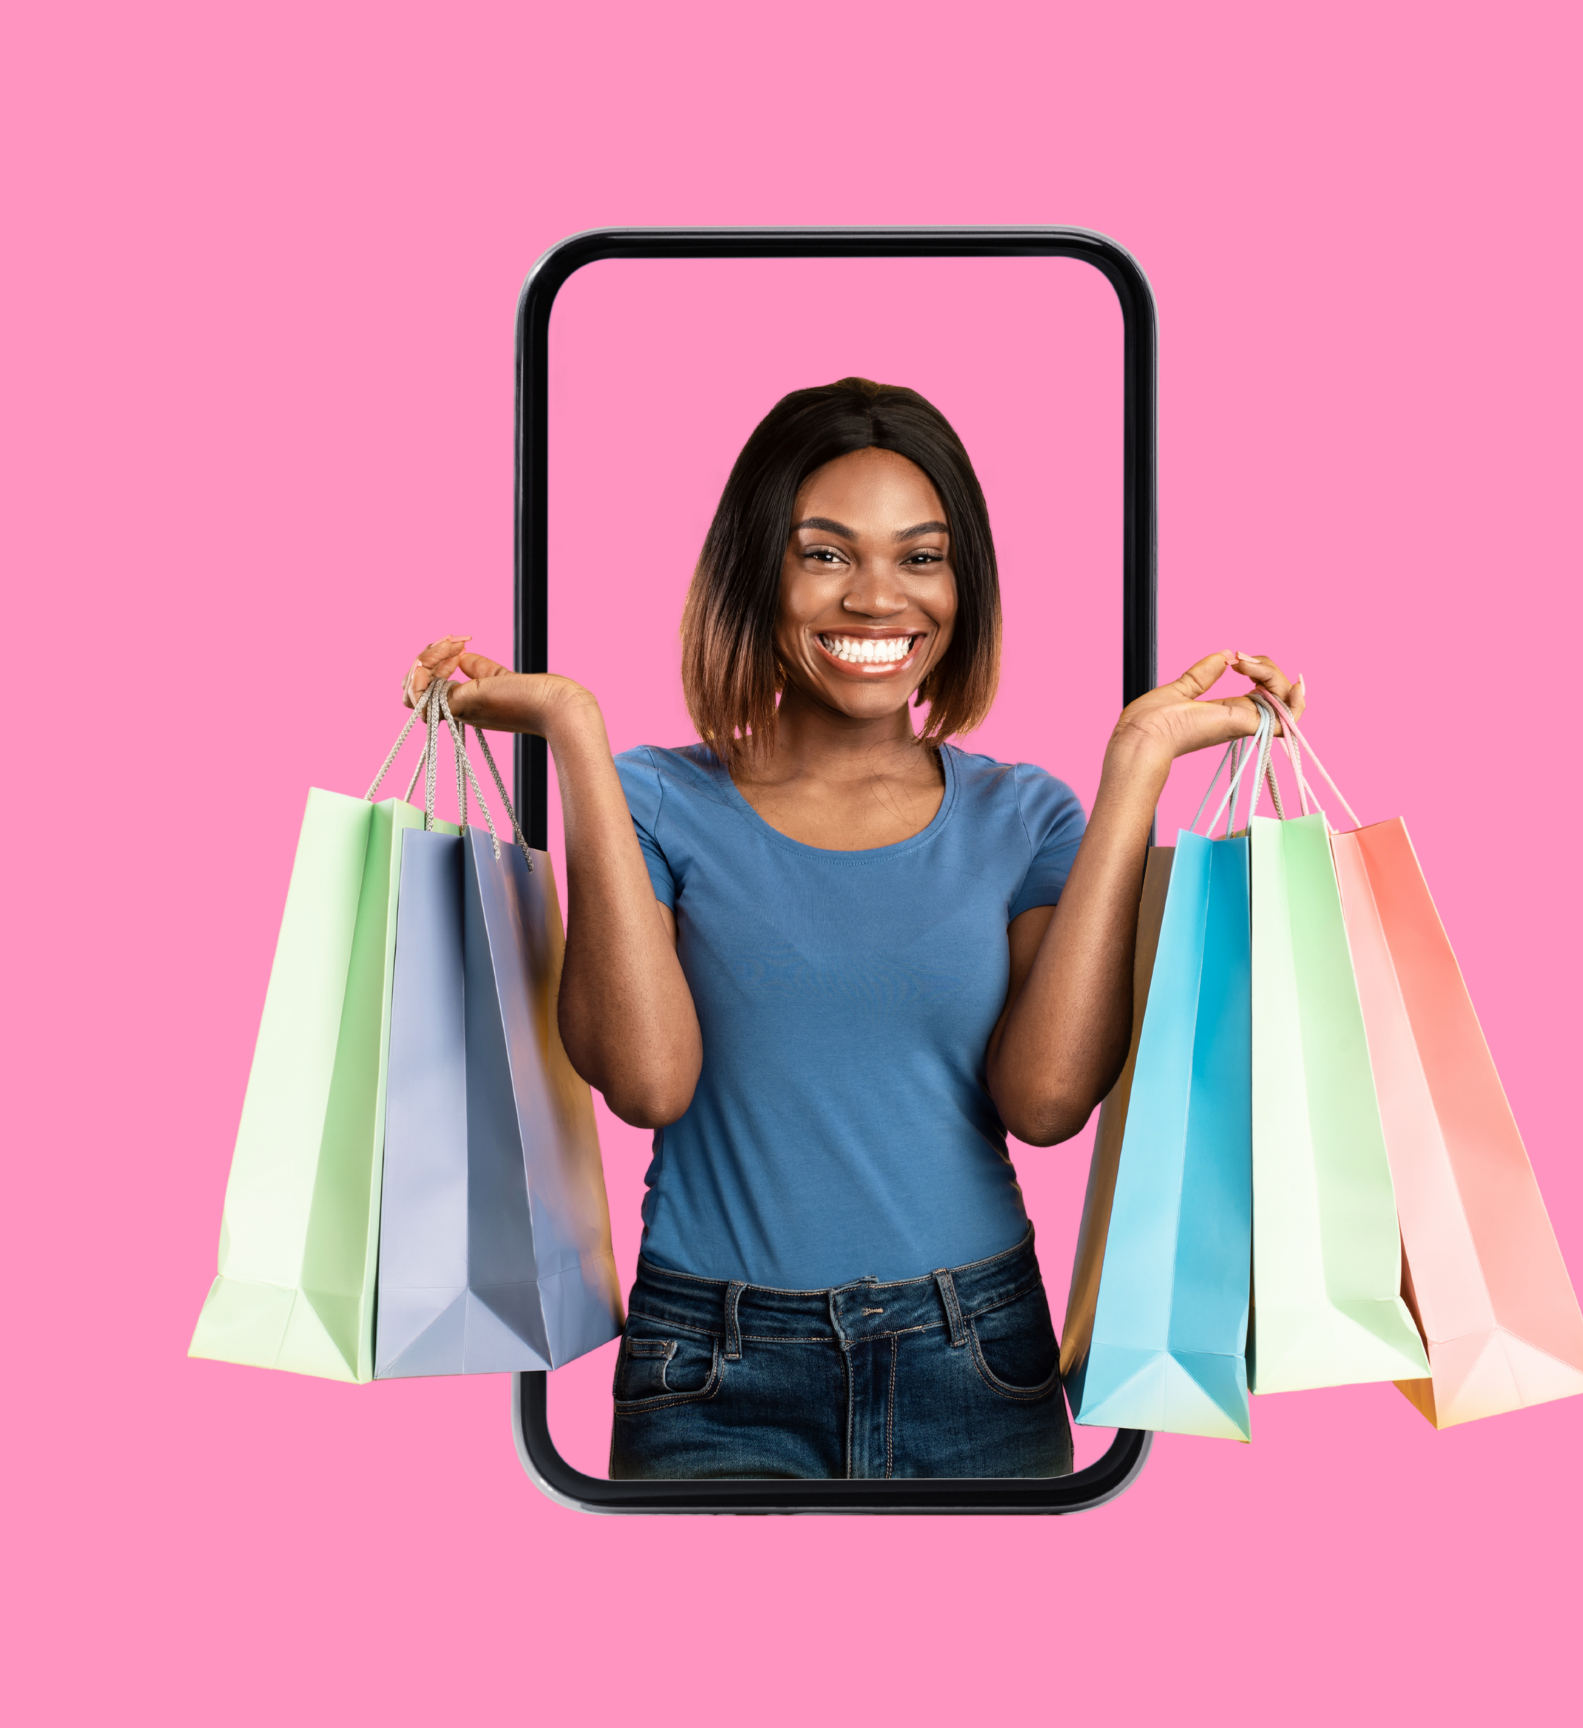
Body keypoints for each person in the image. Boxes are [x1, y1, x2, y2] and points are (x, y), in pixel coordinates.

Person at [410, 377, 1300, 1480]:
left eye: (920, 557)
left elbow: (1049, 1104)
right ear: (757, 574)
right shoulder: (650, 801)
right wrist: (575, 738)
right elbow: (646, 1082)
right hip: (711, 1366)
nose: (879, 599)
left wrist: (1135, 771)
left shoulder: (1025, 818)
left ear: (961, 585)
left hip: (978, 1353)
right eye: (825, 554)